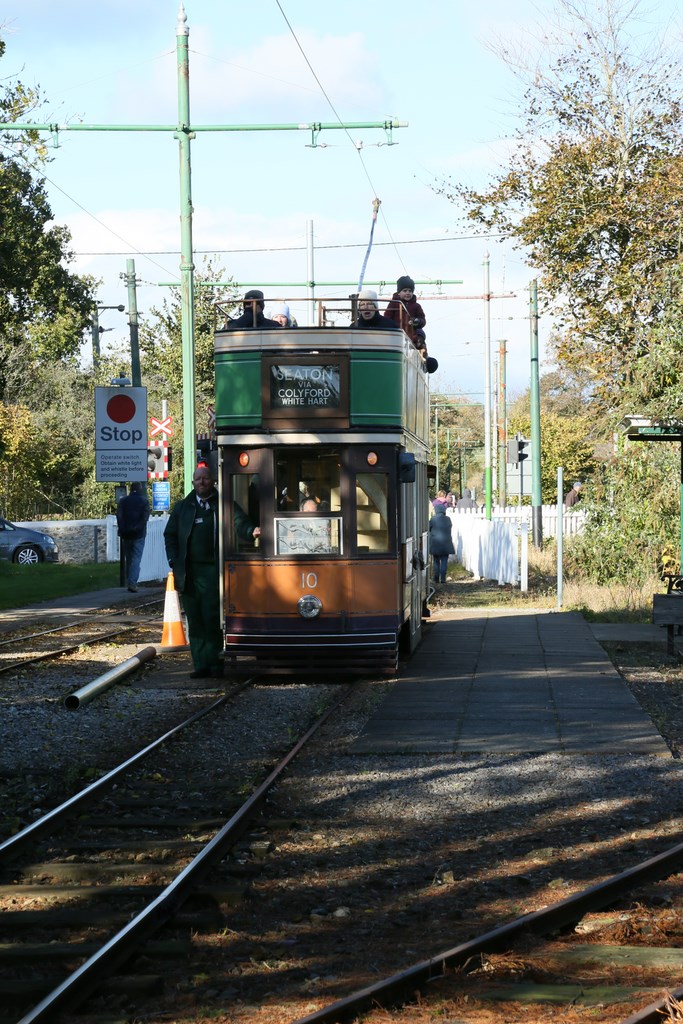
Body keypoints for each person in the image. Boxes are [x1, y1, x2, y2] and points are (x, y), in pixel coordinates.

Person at [164, 465, 259, 679]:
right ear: (193, 483)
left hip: (214, 572)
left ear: (212, 481)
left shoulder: (223, 505)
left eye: (205, 479)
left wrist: (251, 531)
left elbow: (239, 522)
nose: (202, 482)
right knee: (195, 620)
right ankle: (200, 665)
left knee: (212, 619)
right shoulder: (183, 507)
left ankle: (216, 664)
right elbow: (169, 534)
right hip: (189, 573)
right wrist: (173, 559)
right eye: (198, 479)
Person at [116, 481, 150, 593]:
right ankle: (132, 583)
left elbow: (119, 517)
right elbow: (145, 518)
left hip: (125, 534)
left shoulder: (123, 501)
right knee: (136, 558)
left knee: (129, 558)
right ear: (140, 488)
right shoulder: (144, 501)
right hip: (138, 534)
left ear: (130, 489)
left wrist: (123, 528)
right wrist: (138, 528)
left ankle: (129, 580)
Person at [384, 275, 427, 352]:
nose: (408, 293)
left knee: (420, 339)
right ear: (399, 293)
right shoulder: (393, 304)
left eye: (410, 291)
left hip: (412, 335)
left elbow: (422, 320)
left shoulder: (416, 306)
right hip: (396, 334)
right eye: (405, 290)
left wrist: (416, 321)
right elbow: (387, 317)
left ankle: (423, 356)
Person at [429, 503, 455, 584]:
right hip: (446, 544)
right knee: (444, 561)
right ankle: (443, 579)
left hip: (436, 543)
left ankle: (436, 579)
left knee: (436, 562)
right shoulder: (448, 519)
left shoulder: (433, 519)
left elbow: (428, 528)